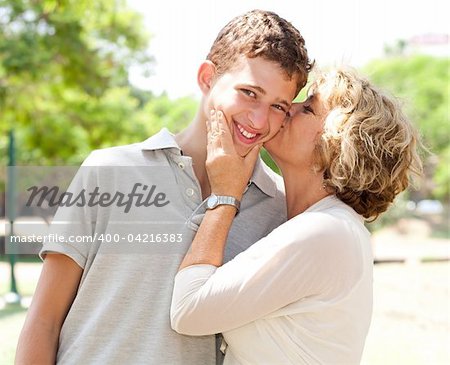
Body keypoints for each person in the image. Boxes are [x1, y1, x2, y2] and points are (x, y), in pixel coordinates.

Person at [15, 9, 312, 365]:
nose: (260, 120)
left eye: (278, 106)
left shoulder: (281, 211)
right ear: (207, 78)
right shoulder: (108, 171)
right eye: (249, 93)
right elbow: (43, 322)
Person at [170, 68, 423, 364]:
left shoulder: (324, 232)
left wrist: (226, 195)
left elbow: (188, 310)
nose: (289, 108)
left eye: (309, 108)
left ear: (337, 142)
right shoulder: (323, 226)